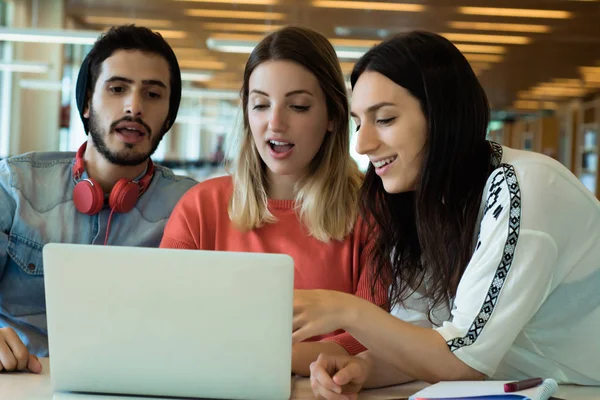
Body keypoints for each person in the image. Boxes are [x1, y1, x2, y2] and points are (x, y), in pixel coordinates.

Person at [292, 30, 600, 398]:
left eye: (385, 119)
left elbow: (460, 360)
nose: (362, 143)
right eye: (359, 123)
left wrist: (345, 309)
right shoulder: (425, 199)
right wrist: (362, 367)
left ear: (441, 115)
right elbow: (426, 340)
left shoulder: (524, 188)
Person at [159, 26, 386, 376]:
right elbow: (163, 321)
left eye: (297, 106)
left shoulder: (371, 213)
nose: (275, 123)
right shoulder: (199, 208)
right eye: (261, 105)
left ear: (332, 117)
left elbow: (372, 336)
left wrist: (244, 355)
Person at [0, 25, 197, 373]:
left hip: (140, 383)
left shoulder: (192, 205)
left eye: (153, 94)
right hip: (22, 378)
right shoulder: (15, 185)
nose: (134, 107)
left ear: (168, 116)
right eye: (117, 89)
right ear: (87, 101)